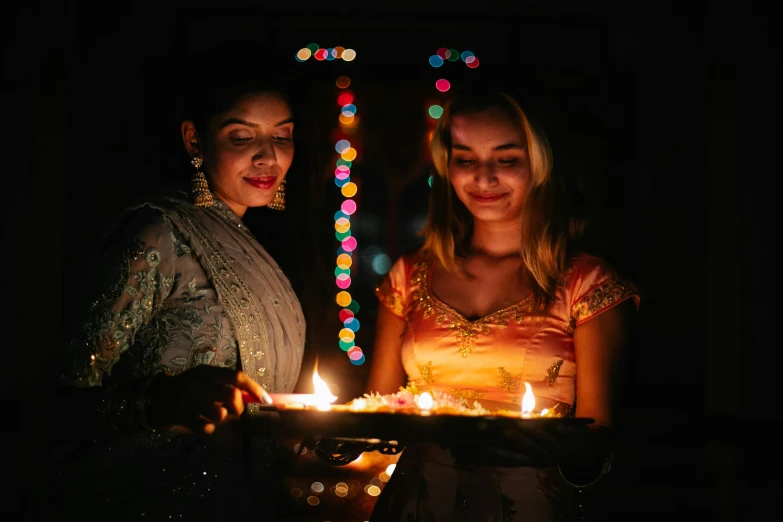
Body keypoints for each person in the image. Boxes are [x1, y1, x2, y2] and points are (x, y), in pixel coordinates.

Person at [366, 90, 640, 521]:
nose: (484, 178)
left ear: (540, 164)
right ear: (447, 165)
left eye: (507, 159)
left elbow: (599, 434)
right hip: (416, 506)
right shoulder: (409, 275)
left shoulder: (586, 283)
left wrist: (546, 447)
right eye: (466, 159)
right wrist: (331, 436)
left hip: (530, 504)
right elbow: (375, 410)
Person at [48, 72, 307, 521]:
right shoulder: (159, 234)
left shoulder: (254, 245)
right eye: (242, 136)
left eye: (282, 136)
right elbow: (56, 402)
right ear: (194, 141)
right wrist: (164, 400)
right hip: (144, 499)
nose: (268, 156)